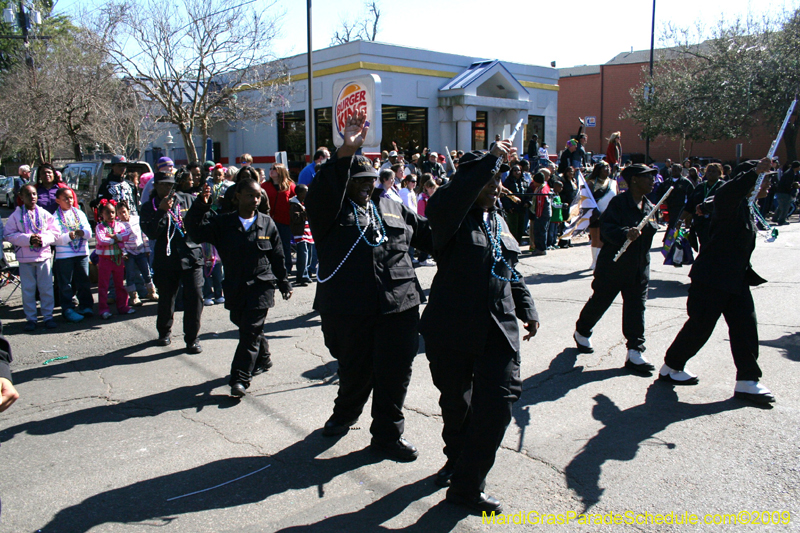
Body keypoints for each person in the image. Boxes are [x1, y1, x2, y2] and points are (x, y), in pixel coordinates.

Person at [305, 110, 432, 462]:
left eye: (370, 180)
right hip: (350, 310)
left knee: (394, 375)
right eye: (357, 179)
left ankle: (388, 436)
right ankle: (346, 413)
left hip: (399, 306)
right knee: (355, 371)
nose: (365, 185)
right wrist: (346, 150)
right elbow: (326, 187)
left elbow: (430, 236)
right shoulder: (328, 211)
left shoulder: (391, 207)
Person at [420, 141, 539, 514]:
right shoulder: (449, 219)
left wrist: (526, 305)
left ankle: (466, 486)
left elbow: (508, 268)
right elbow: (445, 201)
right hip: (451, 328)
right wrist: (489, 161)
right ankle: (458, 465)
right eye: (485, 181)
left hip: (497, 329)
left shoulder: (498, 220)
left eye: (496, 180)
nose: (493, 186)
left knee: (499, 404)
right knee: (457, 405)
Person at [660, 158, 777, 405]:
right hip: (712, 279)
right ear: (752, 182)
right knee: (700, 326)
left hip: (734, 279)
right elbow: (726, 193)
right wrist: (754, 172)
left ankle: (747, 381)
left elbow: (718, 201)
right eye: (765, 179)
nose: (769, 184)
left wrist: (705, 206)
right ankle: (672, 365)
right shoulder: (730, 197)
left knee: (745, 326)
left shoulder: (740, 204)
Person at [186, 178, 292, 397]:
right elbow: (195, 231)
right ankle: (263, 356)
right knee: (243, 324)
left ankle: (240, 379)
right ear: (237, 197)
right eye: (250, 195)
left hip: (261, 286)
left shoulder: (266, 223)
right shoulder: (223, 223)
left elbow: (278, 256)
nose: (255, 200)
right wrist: (201, 205)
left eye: (258, 196)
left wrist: (284, 282)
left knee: (249, 332)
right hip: (235, 287)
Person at [573, 164, 660, 374]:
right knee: (600, 301)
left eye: (653, 177)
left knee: (636, 308)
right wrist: (625, 233)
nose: (652, 181)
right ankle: (582, 330)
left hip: (638, 267)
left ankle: (635, 351)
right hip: (614, 266)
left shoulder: (650, 206)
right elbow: (606, 230)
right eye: (647, 177)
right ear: (634, 180)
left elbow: (652, 230)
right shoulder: (619, 203)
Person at [141, 172, 205, 353]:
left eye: (171, 185)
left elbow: (201, 221)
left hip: (191, 256)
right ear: (156, 186)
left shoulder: (187, 200)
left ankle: (192, 338)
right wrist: (161, 210)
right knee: (167, 298)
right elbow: (152, 233)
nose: (168, 189)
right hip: (166, 259)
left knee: (195, 298)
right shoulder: (148, 207)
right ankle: (164, 332)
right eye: (164, 185)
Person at [5, 185, 60, 330]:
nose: (32, 197)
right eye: (28, 194)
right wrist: (28, 239)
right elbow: (9, 234)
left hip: (43, 257)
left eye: (34, 194)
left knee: (46, 288)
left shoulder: (44, 214)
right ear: (21, 197)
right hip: (25, 259)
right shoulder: (16, 216)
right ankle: (31, 318)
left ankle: (48, 316)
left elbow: (55, 232)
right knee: (28, 290)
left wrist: (42, 239)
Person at [52, 188, 94, 322]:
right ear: (58, 201)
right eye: (65, 198)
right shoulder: (54, 217)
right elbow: (54, 238)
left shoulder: (79, 213)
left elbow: (89, 231)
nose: (69, 201)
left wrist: (83, 233)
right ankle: (68, 309)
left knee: (83, 280)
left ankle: (86, 306)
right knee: (66, 284)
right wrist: (67, 236)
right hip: (64, 255)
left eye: (71, 198)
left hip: (81, 252)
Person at [95, 200, 134, 319]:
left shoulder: (120, 225)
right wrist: (117, 239)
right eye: (107, 212)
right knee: (104, 285)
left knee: (120, 285)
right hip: (105, 260)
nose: (111, 215)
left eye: (112, 212)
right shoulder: (100, 227)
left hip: (118, 259)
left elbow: (127, 235)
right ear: (102, 214)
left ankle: (123, 306)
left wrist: (115, 236)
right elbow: (102, 240)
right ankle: (103, 309)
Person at [117, 201, 157, 305]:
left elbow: (143, 234)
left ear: (128, 211)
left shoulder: (136, 219)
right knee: (130, 275)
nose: (123, 215)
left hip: (140, 250)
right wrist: (123, 253)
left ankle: (151, 292)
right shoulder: (118, 225)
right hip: (129, 253)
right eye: (120, 213)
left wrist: (147, 248)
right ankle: (134, 296)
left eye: (124, 212)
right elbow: (119, 242)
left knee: (146, 273)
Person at [262, 163, 296, 276]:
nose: (271, 171)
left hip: (285, 221)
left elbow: (296, 203)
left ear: (281, 171)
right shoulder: (264, 186)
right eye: (270, 169)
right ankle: (270, 268)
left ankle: (286, 268)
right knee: (269, 245)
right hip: (268, 221)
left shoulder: (290, 186)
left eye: (274, 169)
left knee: (285, 245)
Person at [682, 163, 724, 249]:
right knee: (704, 247)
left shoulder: (723, 186)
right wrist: (680, 220)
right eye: (708, 171)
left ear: (719, 174)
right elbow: (690, 205)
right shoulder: (700, 187)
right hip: (701, 225)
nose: (710, 173)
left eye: (713, 171)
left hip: (717, 225)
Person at [587, 161, 617, 269]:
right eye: (605, 168)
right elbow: (587, 199)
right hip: (596, 214)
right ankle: (596, 261)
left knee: (608, 239)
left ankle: (604, 260)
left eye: (609, 168)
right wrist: (594, 211)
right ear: (599, 170)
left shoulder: (613, 183)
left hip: (611, 215)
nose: (608, 170)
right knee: (597, 238)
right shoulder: (591, 183)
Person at [656, 163, 695, 238]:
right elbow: (659, 192)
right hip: (670, 206)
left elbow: (692, 195)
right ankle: (673, 239)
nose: (674, 172)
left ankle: (667, 239)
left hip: (680, 206)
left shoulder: (685, 182)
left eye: (676, 170)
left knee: (674, 223)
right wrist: (663, 201)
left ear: (680, 171)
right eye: (673, 170)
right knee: (672, 222)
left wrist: (689, 207)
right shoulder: (667, 181)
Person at [289, 184, 314, 286]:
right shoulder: (294, 204)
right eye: (305, 191)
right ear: (300, 193)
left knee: (309, 255)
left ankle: (306, 274)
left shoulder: (304, 203)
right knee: (303, 255)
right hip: (300, 233)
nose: (307, 193)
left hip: (308, 232)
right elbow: (295, 218)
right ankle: (301, 276)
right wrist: (305, 212)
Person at [501, 164, 530, 245]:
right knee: (513, 227)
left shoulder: (524, 182)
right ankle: (512, 244)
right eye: (515, 171)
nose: (517, 172)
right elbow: (504, 196)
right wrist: (508, 207)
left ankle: (518, 243)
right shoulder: (507, 182)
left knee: (521, 228)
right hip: (512, 209)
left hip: (522, 208)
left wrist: (527, 202)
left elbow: (528, 194)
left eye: (519, 170)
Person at [527, 171, 551, 256]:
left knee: (540, 231)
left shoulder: (541, 192)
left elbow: (540, 205)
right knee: (541, 231)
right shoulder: (544, 185)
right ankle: (540, 247)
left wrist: (538, 215)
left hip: (541, 214)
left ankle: (541, 249)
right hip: (544, 213)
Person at [416, 177, 437, 267]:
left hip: (434, 222)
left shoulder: (435, 197)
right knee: (426, 240)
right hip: (426, 222)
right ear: (426, 188)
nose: (431, 190)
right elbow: (421, 213)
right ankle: (422, 259)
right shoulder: (423, 199)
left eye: (433, 188)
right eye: (430, 188)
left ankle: (427, 256)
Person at [771, 160, 799, 225]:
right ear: (797, 167)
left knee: (781, 206)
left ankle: (775, 218)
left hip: (781, 191)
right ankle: (782, 220)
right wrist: (792, 189)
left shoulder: (790, 172)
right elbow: (787, 184)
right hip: (784, 192)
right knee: (785, 207)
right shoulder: (790, 173)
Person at [548, 181, 564, 249]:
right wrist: (561, 205)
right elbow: (553, 205)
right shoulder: (552, 195)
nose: (561, 188)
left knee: (555, 232)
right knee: (550, 231)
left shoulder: (558, 195)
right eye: (560, 187)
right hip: (552, 217)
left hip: (557, 217)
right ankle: (549, 244)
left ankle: (554, 243)